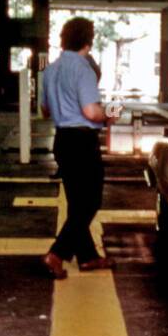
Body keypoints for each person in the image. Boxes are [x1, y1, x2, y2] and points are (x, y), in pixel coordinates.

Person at [39, 17, 112, 279]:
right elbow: (91, 111)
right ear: (88, 40)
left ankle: (88, 257)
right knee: (90, 202)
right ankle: (56, 254)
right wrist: (109, 115)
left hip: (61, 141)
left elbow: (45, 110)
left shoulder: (50, 70)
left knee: (76, 202)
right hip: (82, 141)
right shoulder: (84, 69)